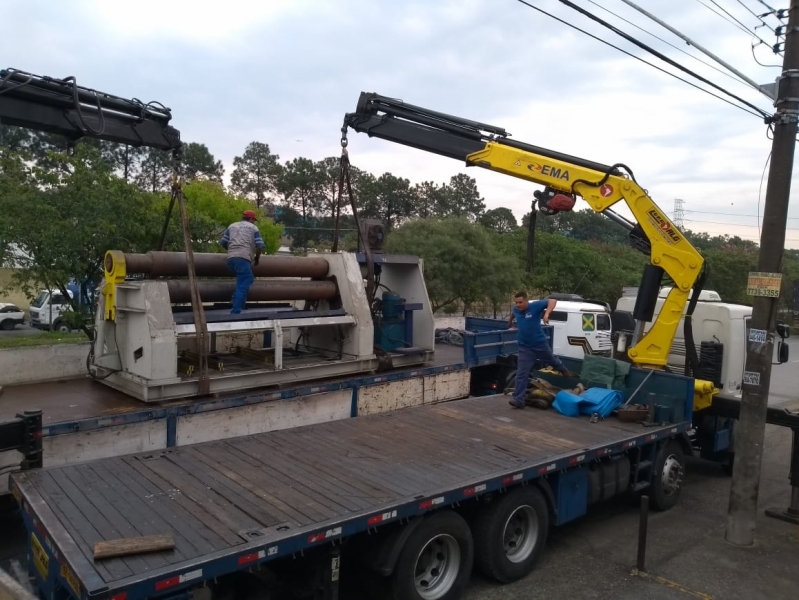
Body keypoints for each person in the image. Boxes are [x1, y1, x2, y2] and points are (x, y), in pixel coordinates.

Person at [508, 291, 575, 409]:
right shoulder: (516, 309)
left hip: (539, 344)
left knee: (552, 360)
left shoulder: (535, 306)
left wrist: (547, 314)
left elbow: (553, 301)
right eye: (516, 302)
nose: (518, 305)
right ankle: (518, 400)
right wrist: (510, 322)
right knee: (521, 373)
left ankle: (563, 369)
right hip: (525, 347)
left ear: (526, 301)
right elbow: (513, 313)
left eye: (520, 302)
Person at [219, 210, 266, 314]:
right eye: (254, 220)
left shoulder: (232, 226)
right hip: (243, 259)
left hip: (231, 259)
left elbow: (223, 242)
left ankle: (240, 303)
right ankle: (236, 309)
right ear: (251, 219)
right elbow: (259, 246)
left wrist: (231, 251)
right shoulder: (253, 228)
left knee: (248, 279)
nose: (254, 222)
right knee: (243, 284)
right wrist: (257, 258)